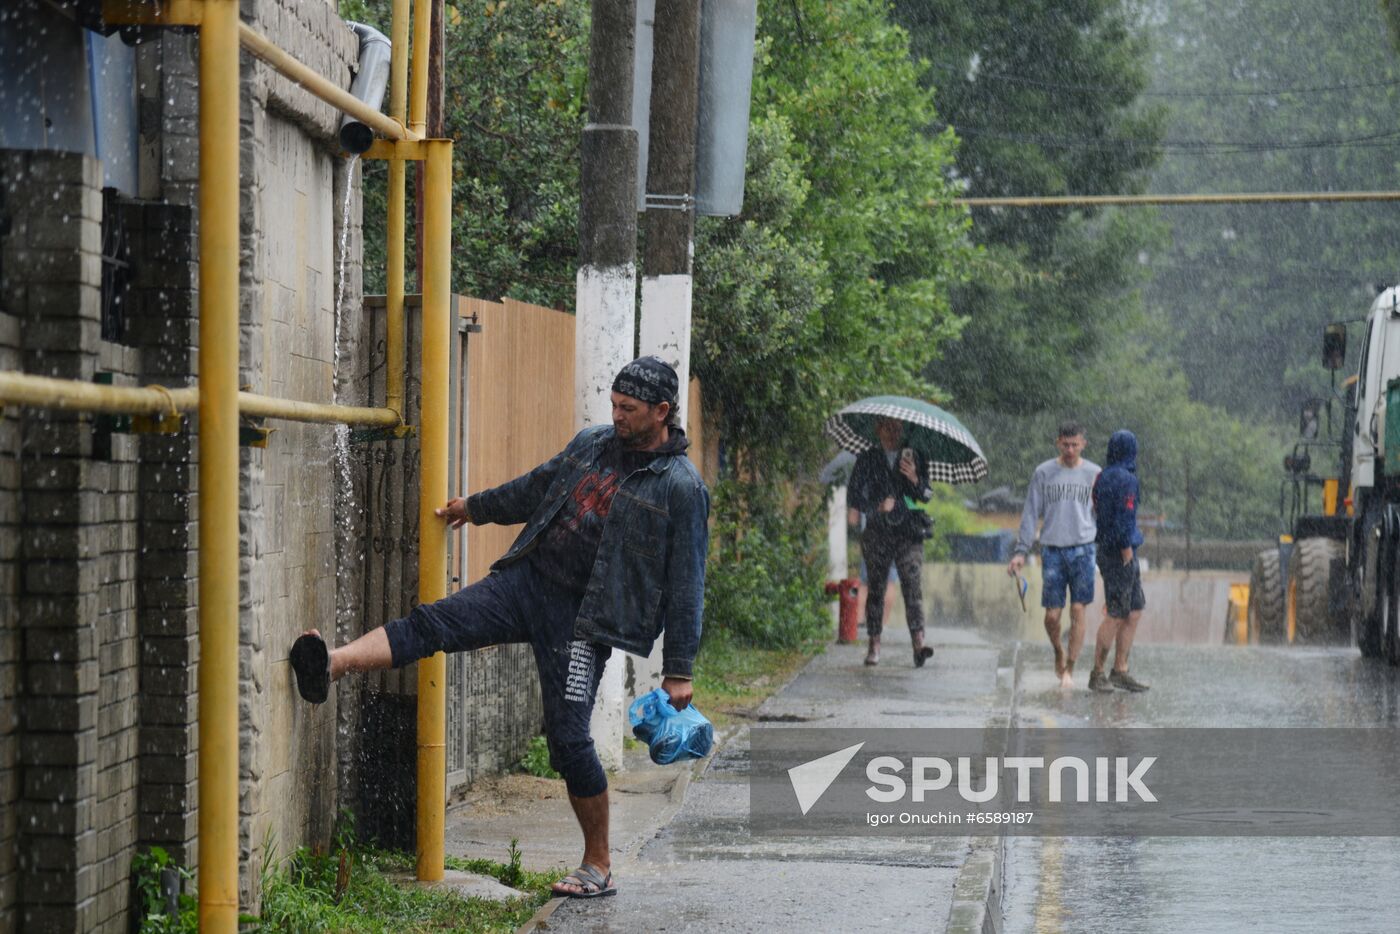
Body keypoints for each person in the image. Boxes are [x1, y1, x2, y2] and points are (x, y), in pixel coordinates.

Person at [288, 356, 709, 899]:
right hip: (525, 584)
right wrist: (476, 507)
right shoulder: (592, 443)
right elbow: (536, 488)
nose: (617, 415)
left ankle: (598, 865)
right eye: (614, 404)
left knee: (568, 740)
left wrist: (679, 670)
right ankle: (331, 663)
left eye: (628, 409)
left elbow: (686, 584)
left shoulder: (681, 487)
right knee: (434, 622)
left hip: (584, 622)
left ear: (662, 411)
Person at [1006, 422, 1100, 690]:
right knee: (1052, 616)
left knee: (1079, 609)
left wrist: (1105, 550)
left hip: (1084, 547)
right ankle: (1058, 649)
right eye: (1065, 444)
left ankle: (1070, 667)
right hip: (1053, 549)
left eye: (1075, 444)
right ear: (1058, 443)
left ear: (1083, 444)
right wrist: (1021, 551)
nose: (1070, 449)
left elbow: (1101, 515)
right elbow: (1030, 512)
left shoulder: (1095, 474)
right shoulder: (1044, 473)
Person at [846, 417, 934, 667]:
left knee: (912, 583)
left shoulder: (914, 456)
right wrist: (877, 507)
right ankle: (874, 643)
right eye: (888, 427)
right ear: (878, 429)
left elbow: (927, 494)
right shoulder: (867, 459)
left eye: (897, 428)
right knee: (876, 587)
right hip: (878, 531)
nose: (894, 432)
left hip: (909, 531)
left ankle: (919, 642)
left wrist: (915, 478)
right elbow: (854, 496)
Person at [1089, 429, 1149, 693]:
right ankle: (1098, 672)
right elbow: (1124, 517)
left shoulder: (1102, 476)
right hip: (1119, 553)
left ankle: (1120, 670)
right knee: (1116, 612)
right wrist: (1126, 547)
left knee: (1134, 610)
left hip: (1107, 548)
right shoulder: (1126, 479)